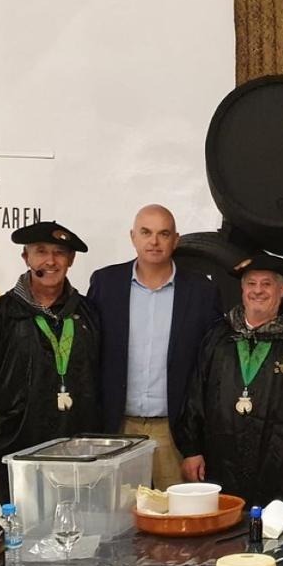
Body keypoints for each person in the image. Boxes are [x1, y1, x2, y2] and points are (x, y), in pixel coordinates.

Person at [88, 204, 222, 489]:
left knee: (173, 520)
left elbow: (210, 367)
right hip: (118, 426)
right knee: (118, 519)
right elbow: (90, 355)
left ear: (176, 240)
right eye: (146, 232)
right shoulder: (105, 283)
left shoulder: (201, 291)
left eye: (164, 233)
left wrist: (195, 441)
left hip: (173, 432)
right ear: (132, 237)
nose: (154, 241)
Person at [176, 253, 283, 507]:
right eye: (251, 284)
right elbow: (196, 395)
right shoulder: (219, 336)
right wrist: (192, 450)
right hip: (222, 459)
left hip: (279, 462)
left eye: (266, 284)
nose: (258, 291)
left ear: (282, 290)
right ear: (242, 289)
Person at [0, 221, 100, 504]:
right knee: (23, 532)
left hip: (79, 448)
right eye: (41, 251)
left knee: (81, 533)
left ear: (71, 260)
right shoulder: (2, 314)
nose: (51, 261)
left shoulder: (89, 314)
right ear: (26, 258)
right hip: (19, 445)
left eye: (59, 252)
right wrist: (12, 416)